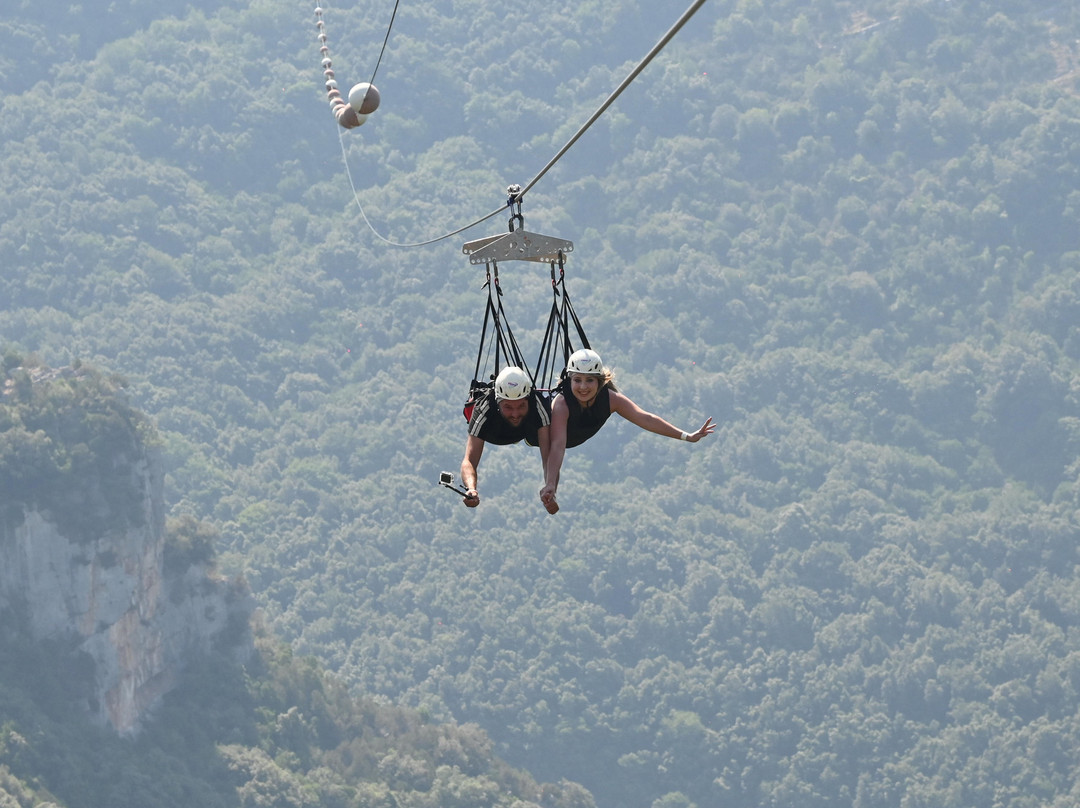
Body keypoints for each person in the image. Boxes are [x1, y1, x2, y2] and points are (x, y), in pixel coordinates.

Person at [539, 348, 714, 511]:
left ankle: (550, 490)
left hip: (571, 438)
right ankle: (550, 491)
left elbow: (645, 418)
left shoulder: (610, 399)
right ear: (570, 380)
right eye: (577, 380)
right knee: (546, 435)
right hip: (540, 433)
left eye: (589, 380)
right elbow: (557, 446)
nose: (583, 387)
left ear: (600, 381)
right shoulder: (562, 404)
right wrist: (551, 484)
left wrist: (686, 436)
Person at [461, 366, 557, 512]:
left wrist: (551, 489)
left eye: (521, 406)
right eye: (508, 407)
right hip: (495, 433)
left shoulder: (538, 405)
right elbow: (469, 460)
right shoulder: (484, 408)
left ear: (528, 400)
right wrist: (471, 489)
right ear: (498, 401)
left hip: (527, 431)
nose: (515, 413)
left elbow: (548, 456)